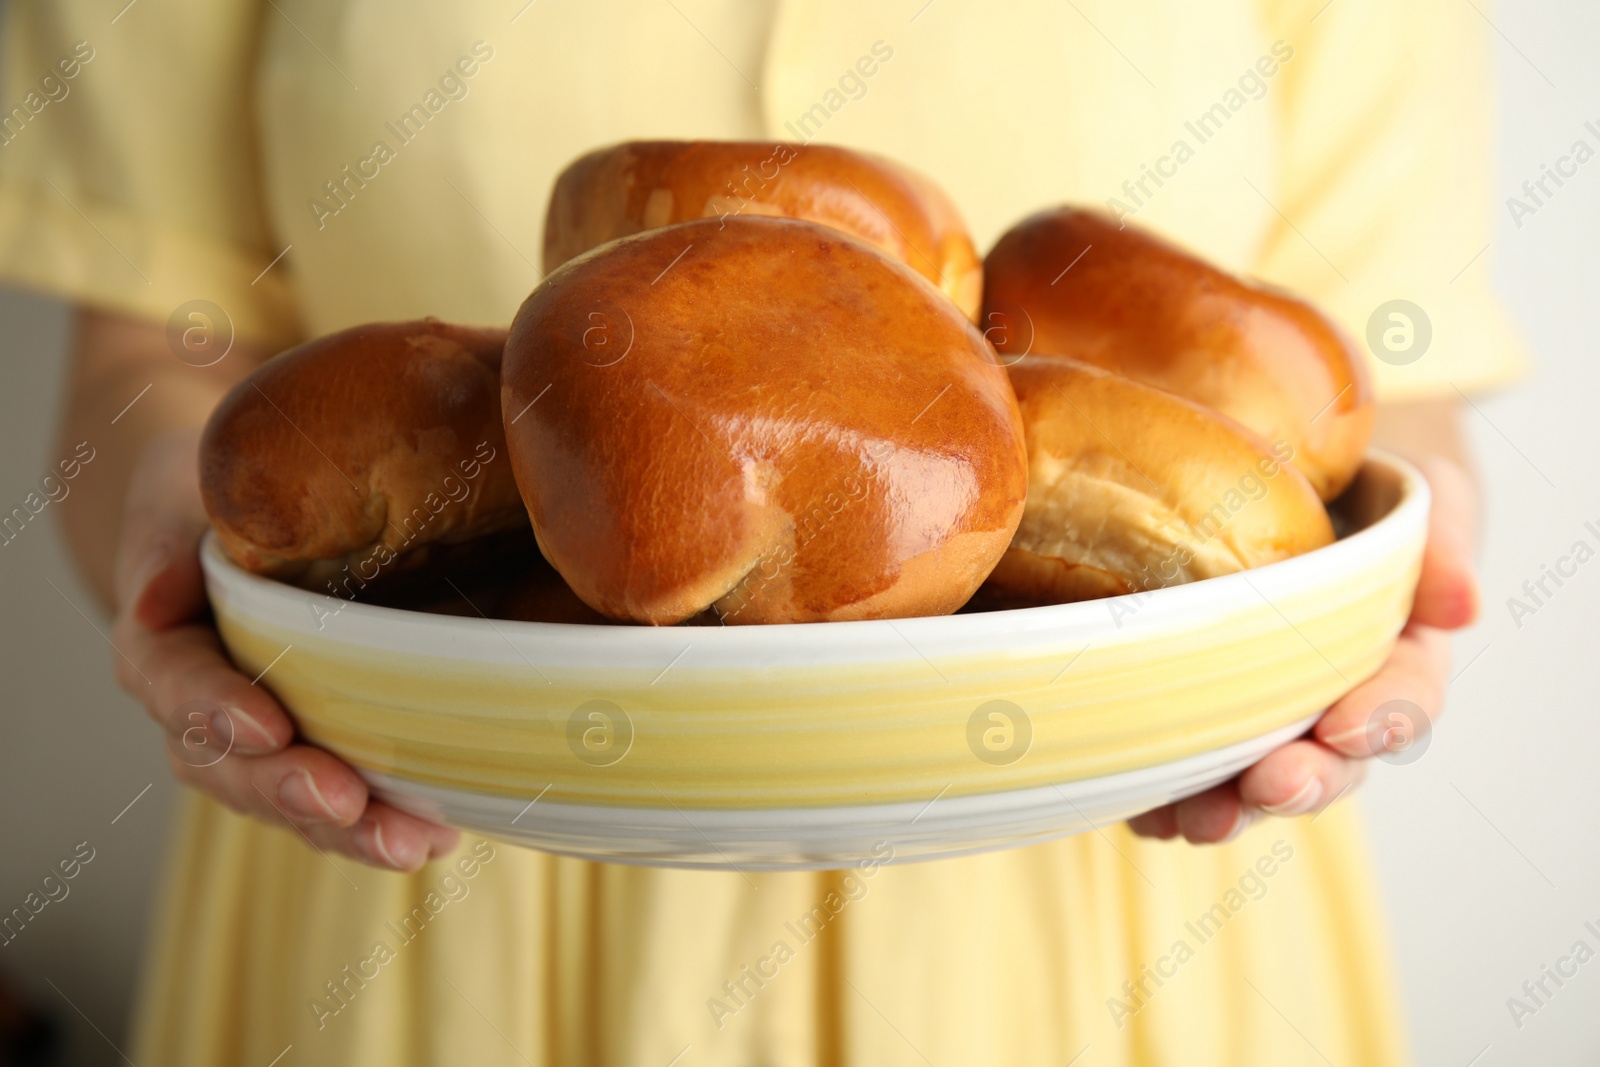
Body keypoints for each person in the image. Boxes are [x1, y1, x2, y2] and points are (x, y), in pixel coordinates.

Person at [2, 1, 1521, 1063]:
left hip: (1118, 917)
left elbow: (1372, 421)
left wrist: (1391, 580)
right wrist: (173, 529)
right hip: (414, 855)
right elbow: (147, 358)